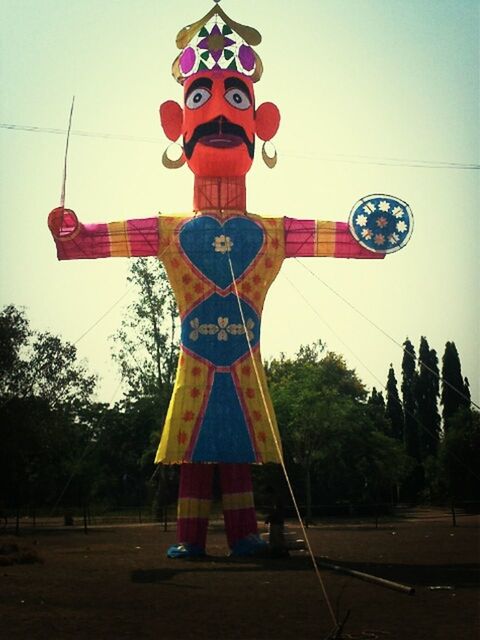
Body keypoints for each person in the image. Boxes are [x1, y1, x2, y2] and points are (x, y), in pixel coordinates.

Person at [48, 3, 409, 558]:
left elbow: (340, 236)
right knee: (195, 451)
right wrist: (72, 231)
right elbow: (100, 239)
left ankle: (243, 534)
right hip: (197, 360)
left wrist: (373, 234)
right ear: (177, 124)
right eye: (200, 98)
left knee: (234, 446)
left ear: (262, 124)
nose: (219, 111)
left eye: (236, 98)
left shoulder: (272, 232)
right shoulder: (168, 232)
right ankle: (191, 538)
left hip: (244, 363)